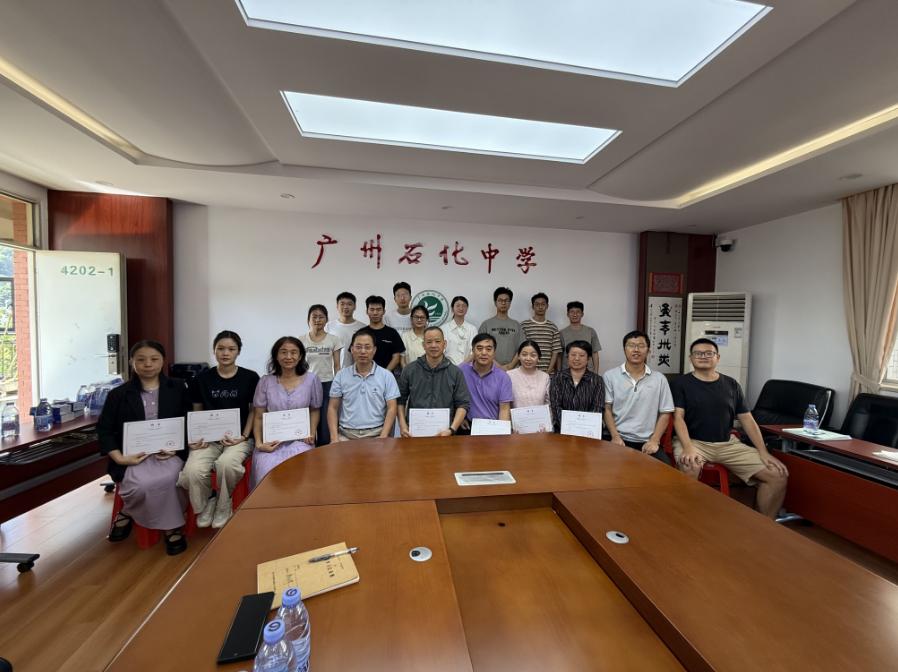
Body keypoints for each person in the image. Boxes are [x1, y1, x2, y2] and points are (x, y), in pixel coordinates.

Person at [671, 338, 788, 519]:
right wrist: (688, 447)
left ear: (717, 357)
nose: (703, 356)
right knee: (690, 465)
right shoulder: (680, 383)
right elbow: (678, 418)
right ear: (690, 358)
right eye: (698, 353)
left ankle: (764, 526)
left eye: (709, 353)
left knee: (777, 475)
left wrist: (763, 451)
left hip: (728, 444)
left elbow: (747, 420)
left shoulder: (732, 385)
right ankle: (685, 520)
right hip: (694, 442)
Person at [97, 340, 191, 555]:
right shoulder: (118, 394)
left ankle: (169, 526)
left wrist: (177, 448)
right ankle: (131, 510)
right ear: (132, 362)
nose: (148, 364)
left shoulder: (178, 387)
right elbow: (104, 430)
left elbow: (188, 421)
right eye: (141, 359)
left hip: (168, 454)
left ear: (163, 361)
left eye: (154, 359)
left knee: (172, 478)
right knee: (141, 485)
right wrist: (120, 458)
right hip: (132, 456)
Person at [178, 330, 260, 528]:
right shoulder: (201, 379)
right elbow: (197, 410)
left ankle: (224, 504)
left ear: (238, 351)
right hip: (208, 440)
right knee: (192, 471)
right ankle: (207, 502)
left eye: (231, 349)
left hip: (238, 439)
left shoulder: (250, 377)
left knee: (227, 464)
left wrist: (244, 436)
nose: (225, 353)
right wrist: (196, 437)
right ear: (214, 350)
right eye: (220, 348)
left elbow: (254, 410)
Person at [251, 337, 323, 489]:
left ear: (301, 356)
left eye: (293, 352)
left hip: (300, 441)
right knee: (266, 470)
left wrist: (311, 433)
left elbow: (315, 410)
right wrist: (259, 444)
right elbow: (258, 417)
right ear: (276, 356)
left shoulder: (312, 380)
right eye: (283, 352)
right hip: (271, 442)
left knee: (300, 470)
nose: (288, 357)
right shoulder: (265, 381)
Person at [602, 330, 673, 464]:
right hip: (617, 438)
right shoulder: (610, 376)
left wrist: (654, 440)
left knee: (665, 469)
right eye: (631, 345)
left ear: (648, 350)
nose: (636, 350)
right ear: (624, 349)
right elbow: (607, 409)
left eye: (641, 346)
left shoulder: (659, 379)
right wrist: (615, 436)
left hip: (647, 441)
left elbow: (665, 413)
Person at [327, 329, 400, 441]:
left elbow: (392, 407)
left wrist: (383, 437)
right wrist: (334, 438)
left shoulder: (386, 376)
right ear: (352, 349)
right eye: (358, 347)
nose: (363, 351)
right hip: (346, 435)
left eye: (367, 347)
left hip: (376, 435)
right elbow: (333, 407)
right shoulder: (341, 375)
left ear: (374, 350)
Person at [397, 326, 470, 437]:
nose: (433, 345)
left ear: (444, 344)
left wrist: (452, 429)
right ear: (423, 345)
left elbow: (463, 404)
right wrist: (403, 426)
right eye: (429, 342)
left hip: (445, 434)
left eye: (437, 341)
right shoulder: (410, 370)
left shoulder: (455, 372)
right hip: (414, 433)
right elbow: (400, 401)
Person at [300, 304, 343, 445]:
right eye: (314, 317)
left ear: (326, 320)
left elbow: (337, 365)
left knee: (325, 423)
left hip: (327, 384)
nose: (317, 320)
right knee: (307, 420)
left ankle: (324, 448)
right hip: (306, 384)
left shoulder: (334, 339)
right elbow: (298, 366)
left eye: (321, 317)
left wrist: (338, 385)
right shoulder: (301, 340)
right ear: (308, 319)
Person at [459, 333, 513, 430]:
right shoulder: (462, 371)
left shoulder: (503, 377)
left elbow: (504, 409)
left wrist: (502, 433)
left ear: (494, 352)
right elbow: (453, 397)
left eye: (488, 349)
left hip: (493, 426)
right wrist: (460, 417)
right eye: (479, 348)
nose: (484, 353)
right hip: (468, 427)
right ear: (473, 351)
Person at [549, 340, 605, 433]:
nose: (577, 358)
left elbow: (597, 408)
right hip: (562, 431)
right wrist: (569, 428)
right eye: (573, 355)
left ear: (588, 358)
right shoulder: (558, 378)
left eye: (582, 355)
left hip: (588, 432)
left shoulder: (597, 380)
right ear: (567, 357)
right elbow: (555, 406)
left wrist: (583, 429)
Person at [478, 286, 523, 369]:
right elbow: (480, 348)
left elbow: (522, 348)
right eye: (500, 300)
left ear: (510, 303)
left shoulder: (517, 325)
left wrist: (510, 366)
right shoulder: (486, 324)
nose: (503, 303)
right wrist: (498, 367)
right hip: (490, 369)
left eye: (506, 300)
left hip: (513, 370)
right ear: (495, 302)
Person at [520, 292, 562, 372]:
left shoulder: (553, 327)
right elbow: (520, 350)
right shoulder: (524, 326)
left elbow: (555, 352)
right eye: (537, 304)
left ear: (547, 306)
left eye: (543, 304)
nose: (540, 307)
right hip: (527, 373)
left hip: (548, 373)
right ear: (533, 307)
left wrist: (548, 372)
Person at [365, 295, 405, 373]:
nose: (375, 313)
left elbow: (396, 357)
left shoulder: (392, 333)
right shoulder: (361, 333)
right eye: (372, 309)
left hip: (387, 376)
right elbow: (356, 355)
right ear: (367, 311)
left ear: (384, 311)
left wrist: (385, 374)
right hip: (365, 375)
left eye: (378, 309)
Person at [507, 340, 551, 409]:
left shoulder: (545, 377)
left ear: (538, 358)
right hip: (515, 416)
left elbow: (548, 403)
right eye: (524, 354)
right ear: (518, 356)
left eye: (533, 355)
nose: (528, 358)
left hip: (540, 416)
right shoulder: (509, 375)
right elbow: (505, 403)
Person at [325, 291, 365, 368]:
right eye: (342, 304)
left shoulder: (362, 328)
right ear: (337, 306)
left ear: (355, 306)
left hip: (356, 370)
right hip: (333, 371)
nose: (346, 307)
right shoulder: (329, 326)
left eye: (349, 304)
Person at [561, 301, 602, 372]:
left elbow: (595, 353)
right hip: (567, 372)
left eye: (578, 312)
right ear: (567, 314)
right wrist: (559, 372)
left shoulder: (590, 331)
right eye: (572, 312)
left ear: (582, 314)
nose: (575, 314)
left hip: (588, 372)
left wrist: (596, 372)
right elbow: (559, 355)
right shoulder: (562, 333)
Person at [444, 295, 478, 365]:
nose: (461, 308)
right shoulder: (444, 329)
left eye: (464, 306)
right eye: (458, 306)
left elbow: (475, 351)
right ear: (452, 308)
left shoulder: (472, 329)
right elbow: (441, 351)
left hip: (468, 367)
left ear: (467, 309)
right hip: (448, 367)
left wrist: (463, 365)